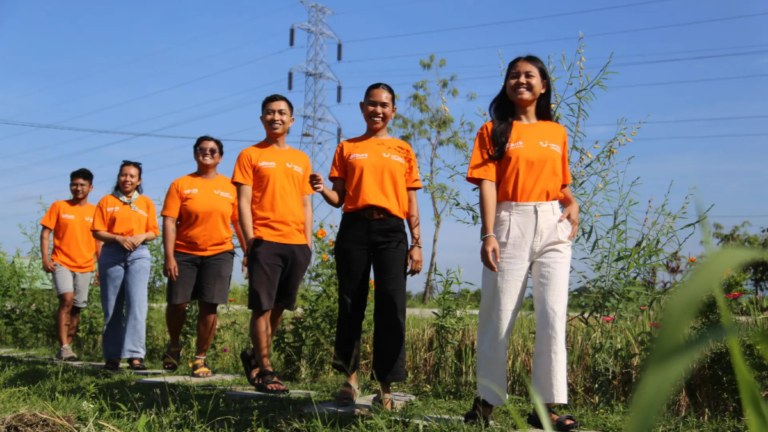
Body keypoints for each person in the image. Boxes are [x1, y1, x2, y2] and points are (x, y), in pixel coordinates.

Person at [463, 56, 581, 430]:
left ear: (543, 85)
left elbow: (560, 184)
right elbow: (487, 183)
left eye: (529, 75)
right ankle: (485, 403)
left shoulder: (557, 132)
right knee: (498, 318)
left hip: (553, 226)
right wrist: (488, 232)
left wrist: (572, 201)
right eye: (514, 75)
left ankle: (545, 409)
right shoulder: (493, 130)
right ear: (507, 85)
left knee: (552, 316)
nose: (521, 80)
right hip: (509, 221)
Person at [309, 83, 423, 411]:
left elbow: (411, 201)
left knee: (390, 306)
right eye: (371, 104)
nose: (377, 110)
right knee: (350, 304)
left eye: (384, 105)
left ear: (393, 111)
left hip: (391, 231)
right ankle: (350, 379)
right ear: (362, 108)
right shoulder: (347, 148)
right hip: (354, 229)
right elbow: (338, 198)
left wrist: (416, 244)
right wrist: (321, 189)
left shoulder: (403, 149)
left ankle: (385, 388)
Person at [234, 94, 314, 394]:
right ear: (262, 119)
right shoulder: (249, 155)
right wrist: (249, 240)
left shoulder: (301, 159)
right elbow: (242, 201)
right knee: (262, 307)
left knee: (280, 306)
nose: (275, 117)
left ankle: (254, 353)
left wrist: (307, 244)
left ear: (291, 120)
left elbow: (306, 205)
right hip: (264, 239)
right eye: (269, 112)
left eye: (282, 112)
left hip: (296, 243)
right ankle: (265, 369)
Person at [161, 136, 246, 377]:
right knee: (178, 303)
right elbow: (169, 222)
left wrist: (248, 251)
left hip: (220, 253)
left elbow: (239, 222)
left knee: (209, 306)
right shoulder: (180, 184)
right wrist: (169, 256)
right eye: (202, 149)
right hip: (184, 253)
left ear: (220, 156)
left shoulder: (231, 187)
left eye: (212, 150)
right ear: (195, 153)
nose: (206, 153)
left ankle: (200, 359)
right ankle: (174, 345)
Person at [92, 160, 159, 370]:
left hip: (138, 254)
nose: (127, 179)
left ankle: (135, 355)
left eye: (131, 176)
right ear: (118, 178)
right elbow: (97, 231)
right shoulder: (106, 201)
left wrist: (141, 236)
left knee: (137, 305)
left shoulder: (146, 203)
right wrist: (118, 239)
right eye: (123, 175)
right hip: (112, 253)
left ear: (139, 180)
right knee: (112, 306)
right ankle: (112, 356)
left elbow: (154, 231)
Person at [40, 168, 102, 361]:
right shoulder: (59, 206)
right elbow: (45, 233)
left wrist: (100, 266)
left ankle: (66, 349)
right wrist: (45, 259)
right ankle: (65, 346)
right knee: (66, 299)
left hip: (86, 265)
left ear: (90, 188)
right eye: (74, 184)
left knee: (76, 308)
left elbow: (99, 241)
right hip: (61, 262)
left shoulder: (95, 211)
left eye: (82, 185)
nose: (78, 188)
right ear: (70, 186)